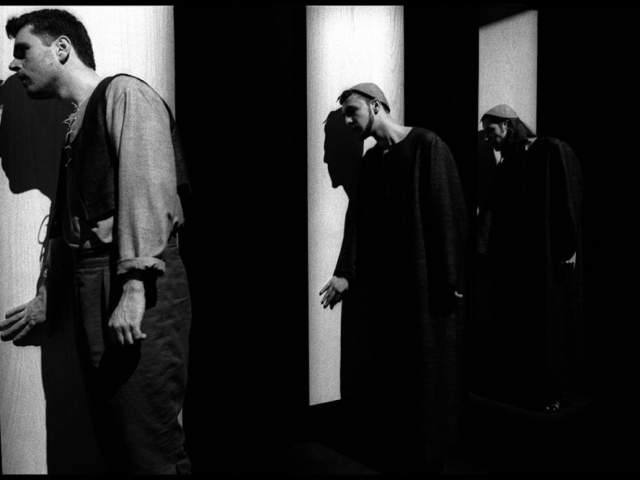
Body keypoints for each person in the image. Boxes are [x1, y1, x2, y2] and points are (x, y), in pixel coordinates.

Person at [0, 9, 192, 474]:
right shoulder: (78, 121)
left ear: (61, 48)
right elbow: (74, 218)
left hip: (134, 278)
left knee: (148, 444)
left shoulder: (124, 93)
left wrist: (134, 286)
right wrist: (50, 293)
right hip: (97, 281)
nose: (13, 63)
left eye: (23, 49)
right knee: (116, 435)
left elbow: (147, 188)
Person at [319, 83, 468, 474]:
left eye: (352, 112)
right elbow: (359, 221)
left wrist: (451, 278)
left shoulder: (426, 145)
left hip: (424, 284)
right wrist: (344, 273)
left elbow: (448, 212)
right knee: (394, 371)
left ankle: (431, 457)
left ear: (375, 105)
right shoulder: (372, 160)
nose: (349, 122)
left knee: (428, 370)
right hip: (388, 288)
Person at [477, 104, 585, 412]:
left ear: (507, 126)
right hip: (520, 258)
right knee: (524, 322)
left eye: (490, 131)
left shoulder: (549, 148)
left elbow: (567, 196)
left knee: (548, 321)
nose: (487, 139)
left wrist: (567, 246)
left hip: (546, 254)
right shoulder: (508, 161)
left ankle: (552, 391)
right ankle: (530, 388)